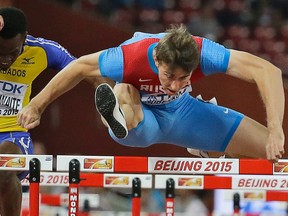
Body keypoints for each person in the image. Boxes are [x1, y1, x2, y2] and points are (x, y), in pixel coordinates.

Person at [17, 24, 285, 162]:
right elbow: (79, 66)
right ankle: (116, 115)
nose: (175, 84)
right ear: (157, 60)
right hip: (143, 121)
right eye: (169, 76)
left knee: (271, 151)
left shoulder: (204, 52)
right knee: (123, 89)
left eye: (185, 77)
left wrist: (275, 128)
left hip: (184, 113)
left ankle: (207, 148)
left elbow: (267, 71)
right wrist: (36, 106)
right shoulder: (129, 57)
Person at [0, 7, 76, 216]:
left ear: (24, 38)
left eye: (13, 52)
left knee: (3, 166)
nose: (5, 60)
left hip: (13, 135)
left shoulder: (42, 50)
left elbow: (82, 68)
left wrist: (107, 99)